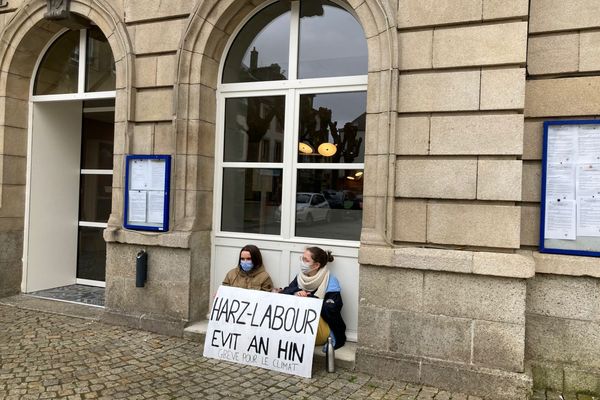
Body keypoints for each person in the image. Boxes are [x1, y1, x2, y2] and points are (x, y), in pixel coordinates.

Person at [280, 247, 346, 350]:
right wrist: (295, 292)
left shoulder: (330, 281)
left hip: (320, 328)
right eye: (302, 258)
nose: (302, 262)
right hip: (300, 327)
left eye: (306, 260)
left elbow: (332, 309)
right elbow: (285, 292)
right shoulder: (300, 277)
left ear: (316, 265)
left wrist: (309, 298)